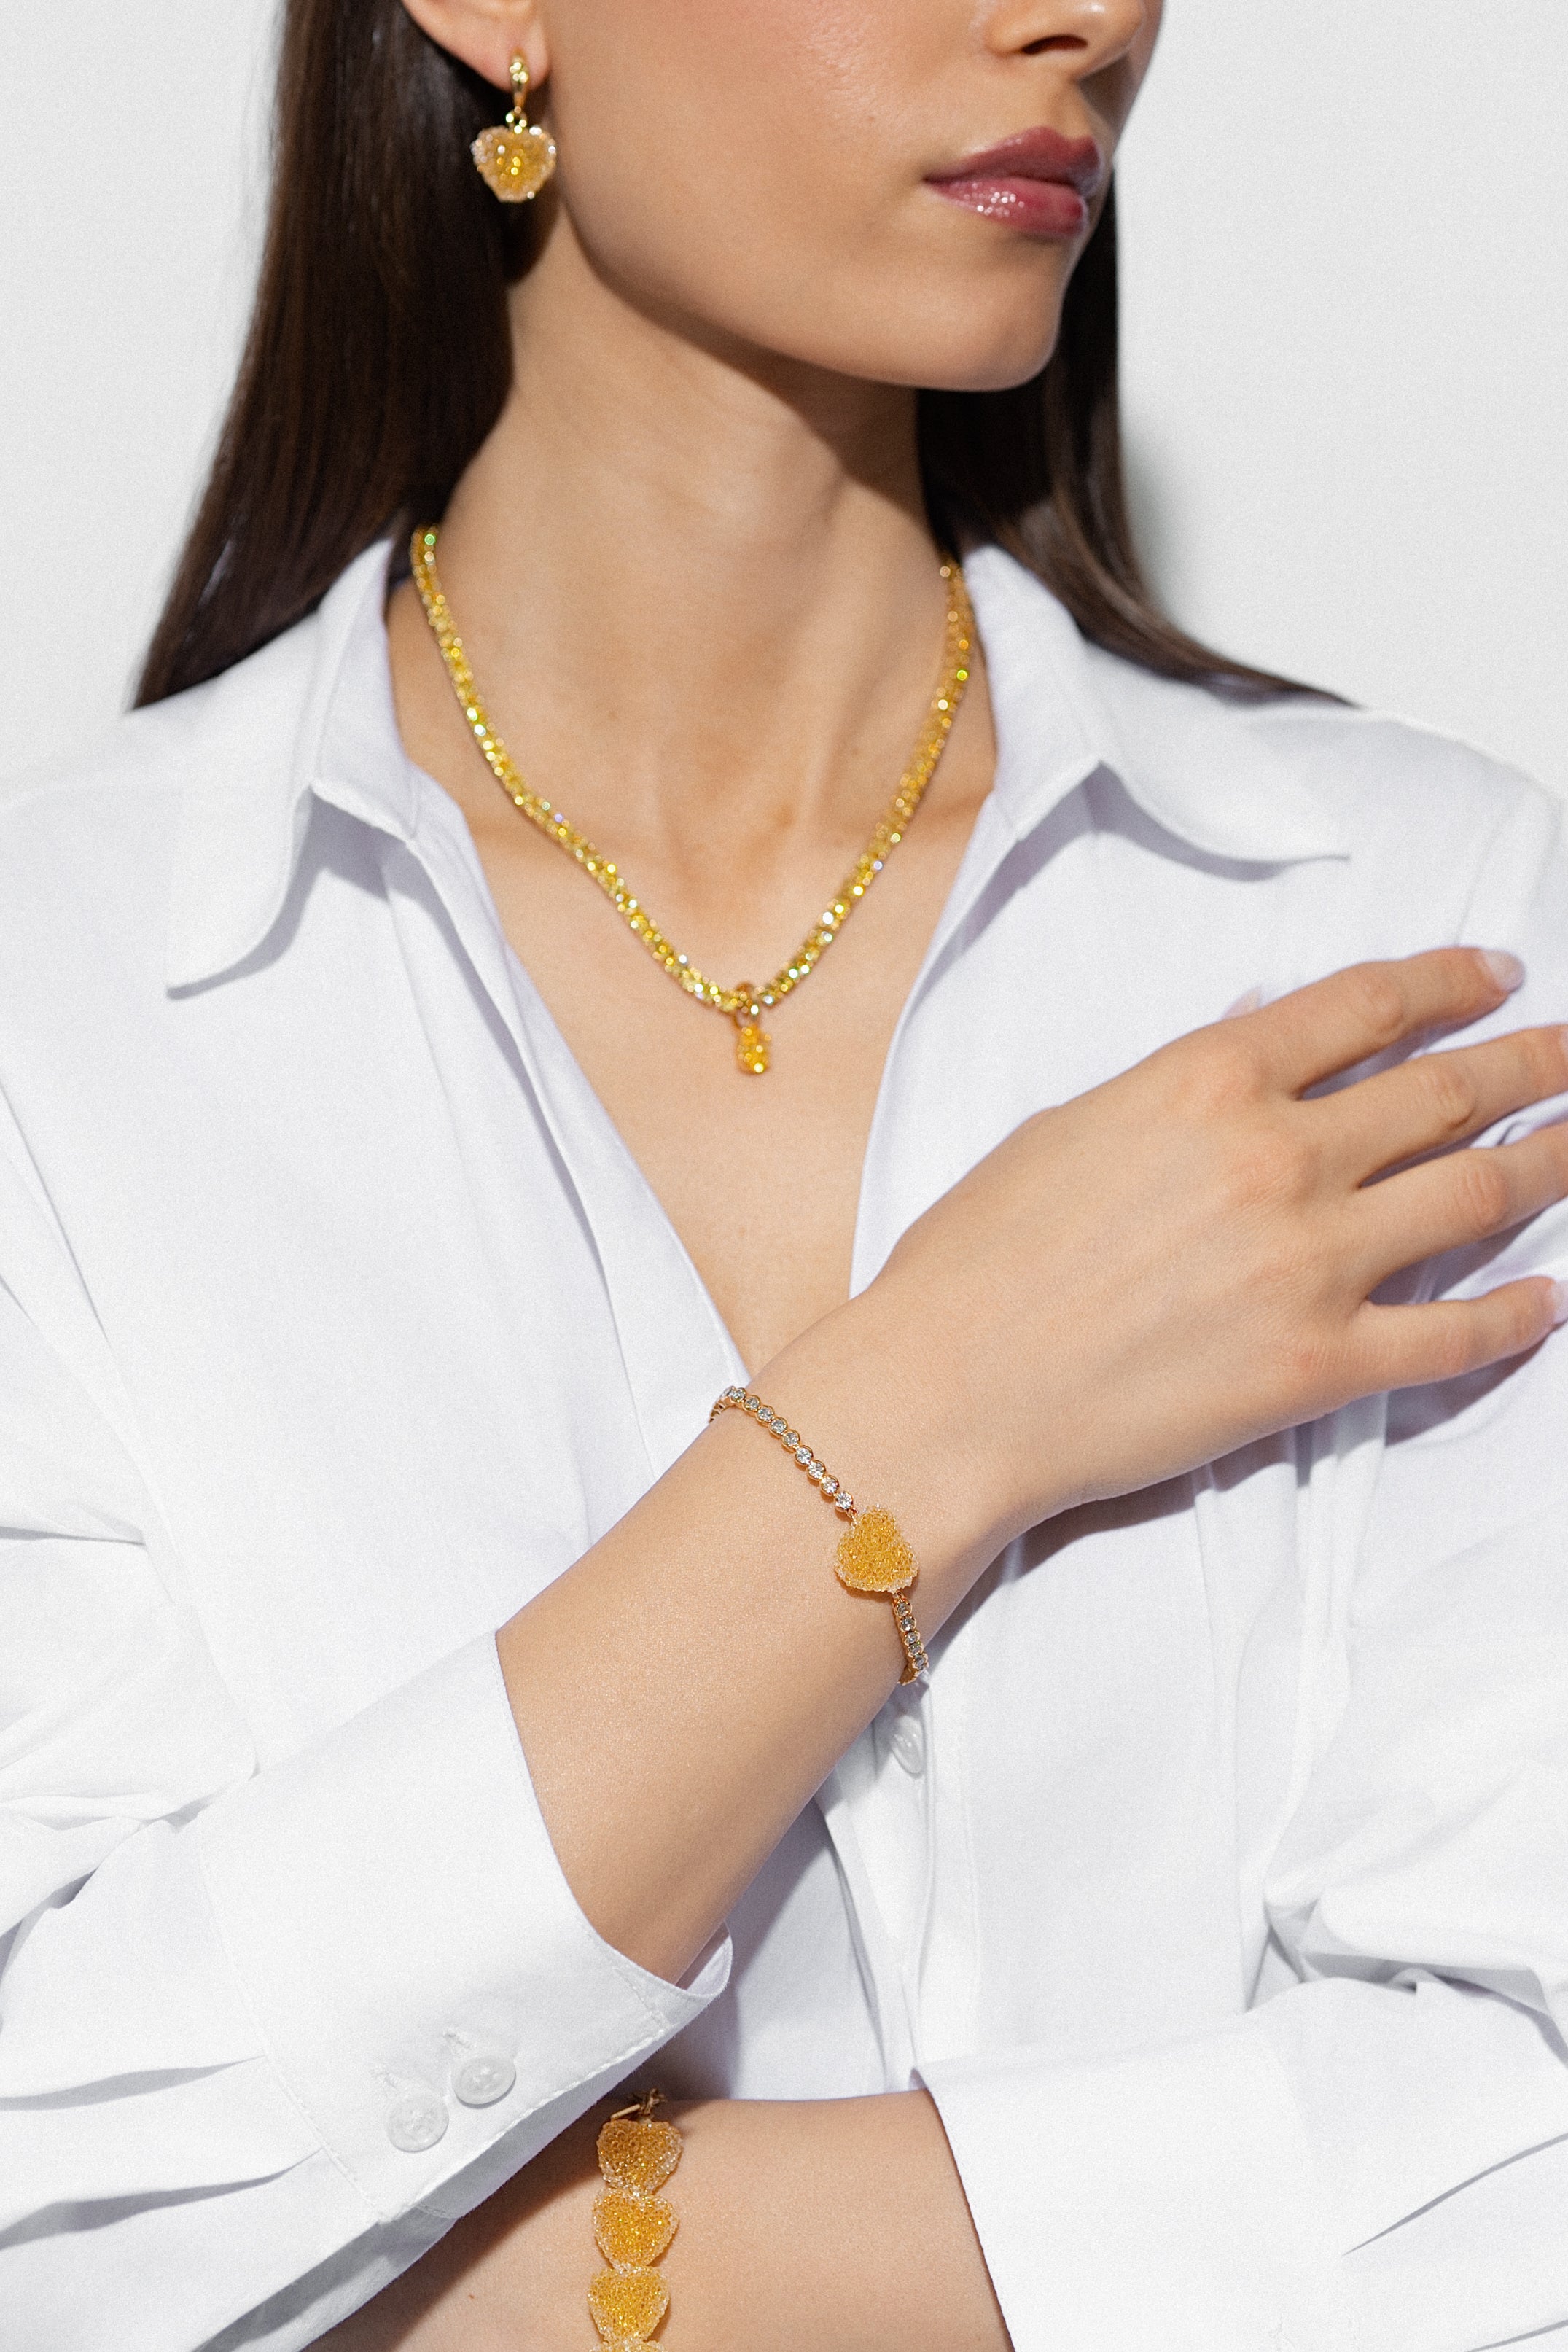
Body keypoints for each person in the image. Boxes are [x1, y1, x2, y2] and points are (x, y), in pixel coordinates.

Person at [2, 0, 1567, 2345]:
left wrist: (469, 2280)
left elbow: (1538, 2144)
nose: (1087, 17)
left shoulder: (1411, 942)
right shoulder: (61, 1015)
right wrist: (946, 1398)